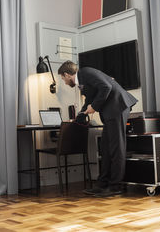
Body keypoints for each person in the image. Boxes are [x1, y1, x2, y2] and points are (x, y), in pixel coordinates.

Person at [58, 61, 138, 197]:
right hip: (110, 111)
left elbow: (106, 87)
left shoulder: (86, 72)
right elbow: (90, 98)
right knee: (105, 148)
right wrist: (79, 118)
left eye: (63, 79)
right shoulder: (82, 81)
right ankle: (102, 184)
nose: (64, 82)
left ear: (67, 74)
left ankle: (115, 186)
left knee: (116, 148)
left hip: (117, 107)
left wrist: (94, 107)